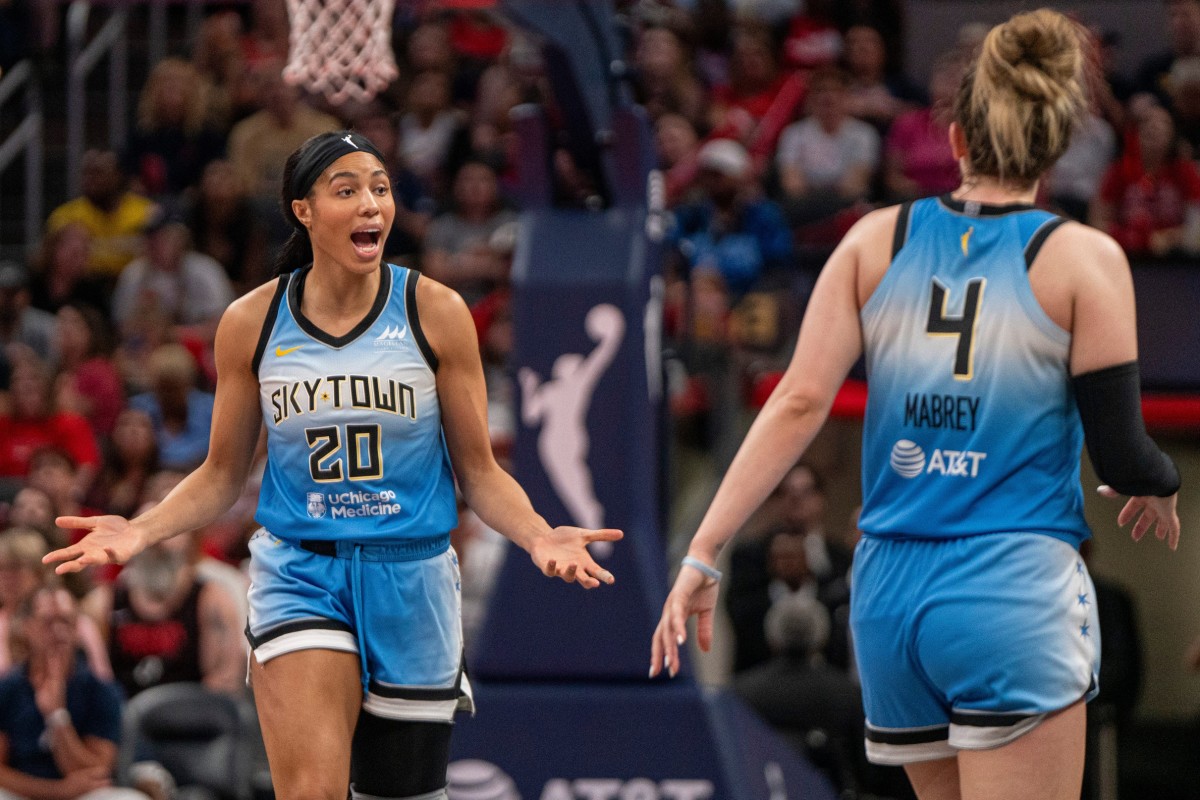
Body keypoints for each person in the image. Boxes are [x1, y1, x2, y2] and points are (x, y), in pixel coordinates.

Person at [650, 11, 1181, 800]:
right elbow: (1123, 455)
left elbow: (797, 402)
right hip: (1008, 587)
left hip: (891, 598)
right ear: (1056, 142)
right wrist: (1162, 480)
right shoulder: (1081, 255)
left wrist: (703, 552)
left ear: (959, 139)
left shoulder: (874, 238)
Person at [45, 129, 621, 800]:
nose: (370, 204)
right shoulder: (251, 321)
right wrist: (141, 530)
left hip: (412, 577)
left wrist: (538, 533)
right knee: (313, 792)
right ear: (304, 211)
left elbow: (481, 474)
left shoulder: (434, 311)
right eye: (346, 190)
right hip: (302, 571)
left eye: (379, 188)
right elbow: (221, 473)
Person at [0, 586, 144, 800]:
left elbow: (97, 771)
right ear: (26, 627)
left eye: (66, 621)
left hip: (82, 795)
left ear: (78, 628)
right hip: (23, 792)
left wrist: (57, 716)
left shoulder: (101, 690)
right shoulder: (7, 688)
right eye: (48, 623)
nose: (58, 632)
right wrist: (57, 792)